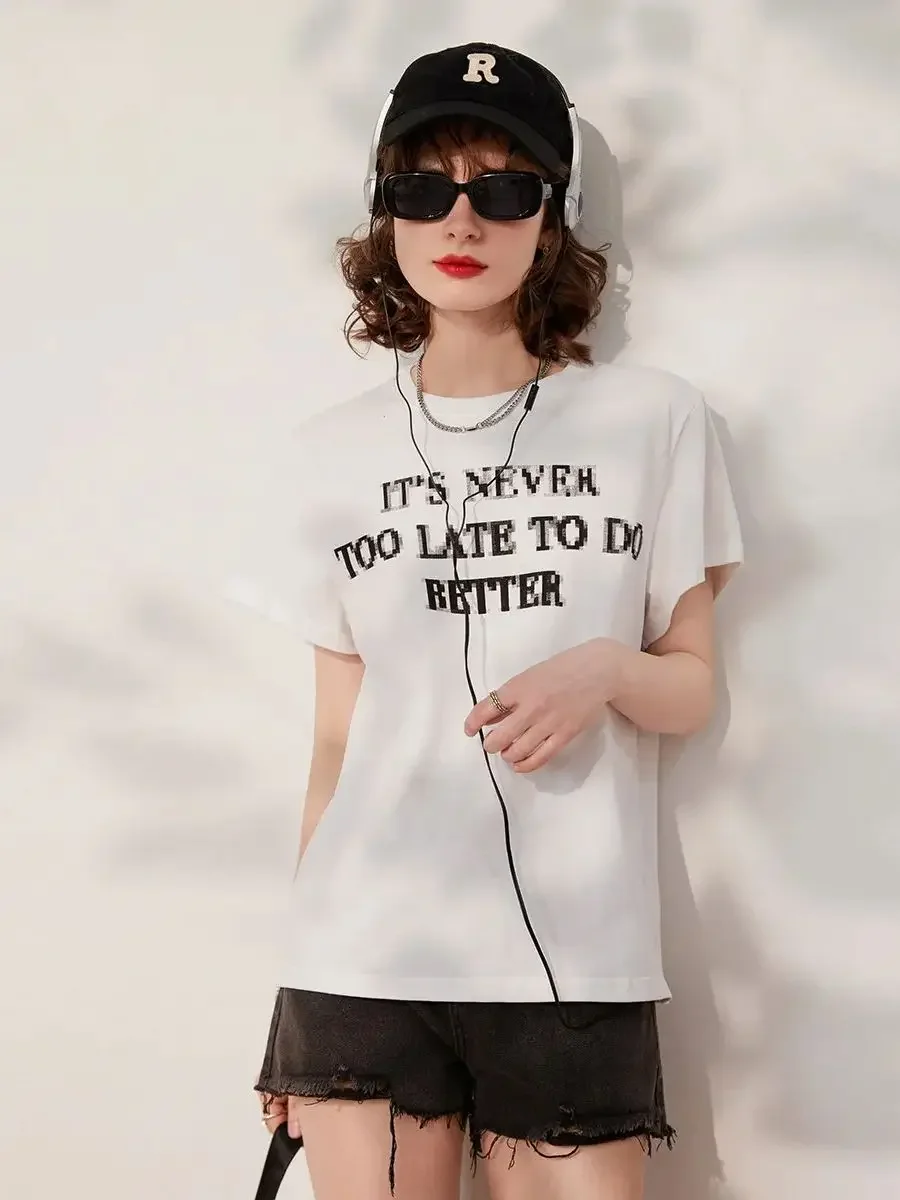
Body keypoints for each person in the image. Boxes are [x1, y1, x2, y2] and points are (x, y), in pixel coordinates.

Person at [248, 41, 742, 1200]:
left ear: (551, 217)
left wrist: (605, 668)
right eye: (423, 187)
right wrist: (295, 985)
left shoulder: (653, 421)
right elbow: (336, 742)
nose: (460, 218)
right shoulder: (327, 453)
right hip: (362, 959)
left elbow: (691, 683)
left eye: (503, 187)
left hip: (573, 961)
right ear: (386, 211)